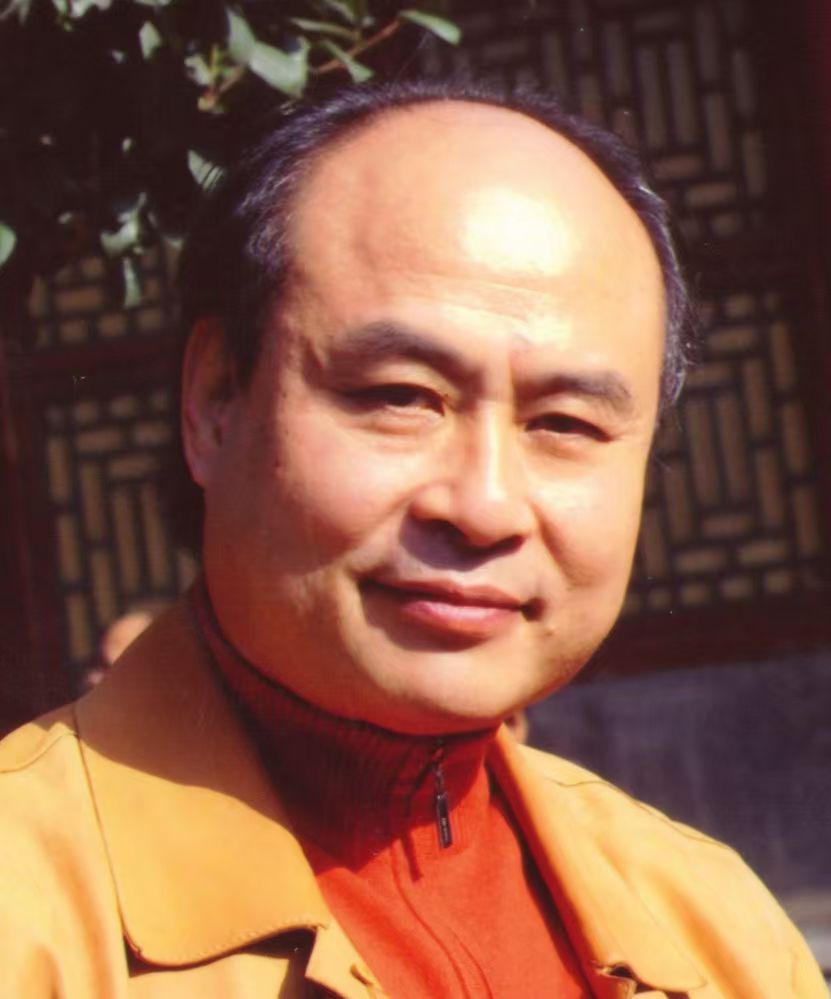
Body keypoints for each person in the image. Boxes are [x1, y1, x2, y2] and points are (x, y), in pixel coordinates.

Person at [0, 79, 825, 997]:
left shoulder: (716, 930)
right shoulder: (25, 910)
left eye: (564, 422)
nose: (484, 506)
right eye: (400, 396)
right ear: (215, 399)